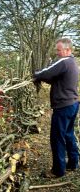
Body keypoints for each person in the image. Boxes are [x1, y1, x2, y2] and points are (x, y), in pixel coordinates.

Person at [33, 38, 79, 178]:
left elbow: (47, 72)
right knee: (68, 134)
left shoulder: (64, 61)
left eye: (58, 50)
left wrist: (35, 75)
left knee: (57, 138)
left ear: (67, 50)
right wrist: (43, 78)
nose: (57, 53)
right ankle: (73, 163)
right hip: (73, 104)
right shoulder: (72, 63)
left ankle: (58, 171)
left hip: (64, 106)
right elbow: (54, 78)